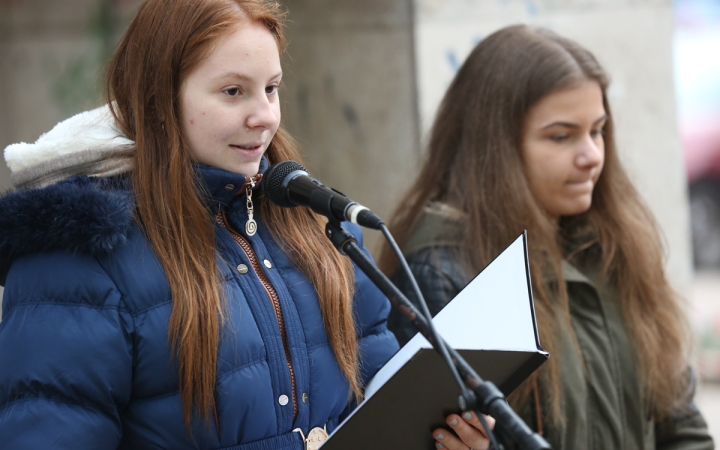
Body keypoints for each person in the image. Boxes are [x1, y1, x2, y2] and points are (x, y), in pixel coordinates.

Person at [0, 0, 399, 448]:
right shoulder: (80, 256)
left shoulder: (317, 222)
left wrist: (440, 432)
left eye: (271, 88)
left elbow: (386, 400)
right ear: (159, 99)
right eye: (233, 91)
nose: (265, 115)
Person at [379, 25, 714, 450]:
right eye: (562, 136)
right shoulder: (444, 273)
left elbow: (681, 425)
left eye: (598, 130)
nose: (592, 155)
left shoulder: (617, 247)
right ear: (494, 146)